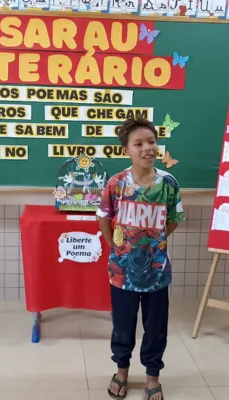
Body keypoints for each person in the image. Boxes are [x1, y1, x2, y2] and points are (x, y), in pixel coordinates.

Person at [96, 118, 185, 400]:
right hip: (121, 271)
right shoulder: (116, 183)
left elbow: (173, 220)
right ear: (127, 150)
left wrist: (156, 240)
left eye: (151, 142)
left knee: (155, 327)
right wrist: (116, 247)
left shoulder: (168, 183)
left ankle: (152, 376)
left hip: (156, 272)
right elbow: (103, 219)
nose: (147, 148)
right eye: (138, 144)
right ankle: (121, 371)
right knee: (123, 325)